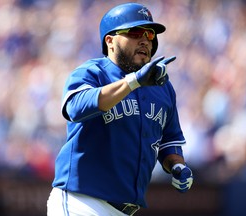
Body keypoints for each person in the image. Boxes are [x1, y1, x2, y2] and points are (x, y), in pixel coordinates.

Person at [47, 2, 193, 216]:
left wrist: (177, 166)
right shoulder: (92, 72)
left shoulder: (162, 88)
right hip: (82, 202)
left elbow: (169, 142)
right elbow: (75, 108)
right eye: (135, 32)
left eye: (150, 35)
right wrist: (132, 82)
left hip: (125, 211)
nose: (144, 39)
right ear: (110, 41)